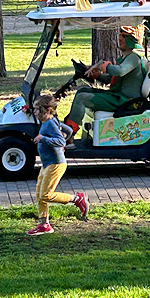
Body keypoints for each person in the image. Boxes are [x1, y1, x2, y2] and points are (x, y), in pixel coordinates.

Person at [28, 92, 88, 236]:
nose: (34, 112)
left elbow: (61, 142)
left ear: (46, 110)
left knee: (46, 195)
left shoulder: (49, 123)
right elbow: (67, 130)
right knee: (39, 193)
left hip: (55, 164)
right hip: (47, 163)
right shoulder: (50, 121)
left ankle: (77, 199)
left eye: (37, 109)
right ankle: (44, 225)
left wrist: (43, 139)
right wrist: (62, 136)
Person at [68, 24, 147, 123]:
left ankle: (69, 132)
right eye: (120, 36)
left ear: (131, 40)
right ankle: (69, 123)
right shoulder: (124, 58)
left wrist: (106, 67)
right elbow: (112, 80)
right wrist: (98, 76)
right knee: (82, 90)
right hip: (118, 97)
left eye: (123, 36)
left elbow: (120, 71)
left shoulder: (133, 57)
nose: (119, 39)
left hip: (127, 101)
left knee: (82, 98)